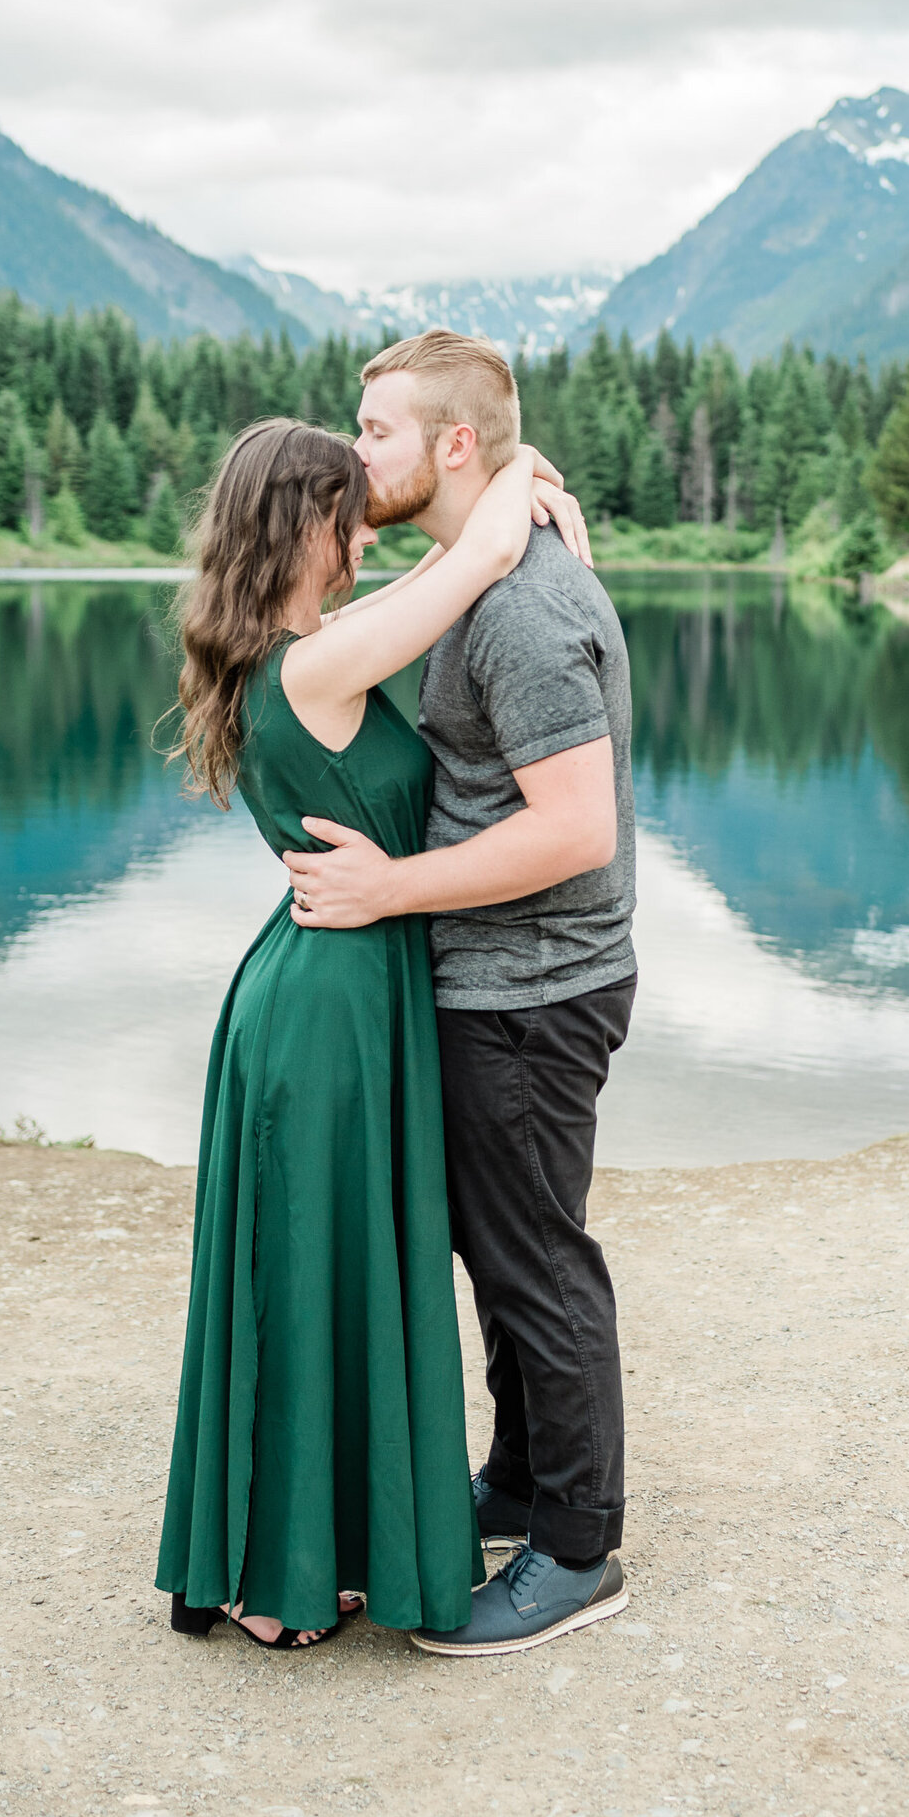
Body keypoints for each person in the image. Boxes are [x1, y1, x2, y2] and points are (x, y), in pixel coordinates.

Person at [155, 414, 586, 1648]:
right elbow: (476, 562)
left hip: (333, 991)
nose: (360, 542)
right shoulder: (314, 668)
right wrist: (517, 478)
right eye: (346, 517)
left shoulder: (301, 650)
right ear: (305, 527)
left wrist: (524, 478)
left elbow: (452, 572)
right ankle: (281, 1577)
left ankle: (311, 1547)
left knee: (321, 1270)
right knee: (309, 1276)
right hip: (331, 1011)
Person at [283, 330, 637, 1656]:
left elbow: (575, 829)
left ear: (454, 445)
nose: (350, 448)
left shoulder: (523, 607)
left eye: (373, 428)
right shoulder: (466, 572)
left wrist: (392, 888)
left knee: (540, 1258)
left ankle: (579, 1544)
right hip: (497, 979)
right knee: (498, 1245)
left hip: (537, 987)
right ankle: (525, 1475)